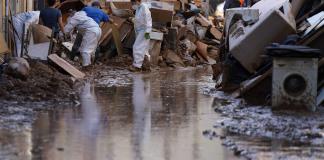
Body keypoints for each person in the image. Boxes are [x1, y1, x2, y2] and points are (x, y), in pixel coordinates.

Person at [128, 0, 152, 72]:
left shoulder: (144, 7)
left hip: (144, 31)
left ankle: (137, 66)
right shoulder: (139, 8)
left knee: (137, 47)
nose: (133, 4)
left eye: (133, 3)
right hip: (141, 31)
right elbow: (139, 20)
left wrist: (147, 32)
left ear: (137, 1)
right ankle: (146, 67)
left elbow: (148, 21)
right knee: (144, 48)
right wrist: (132, 19)